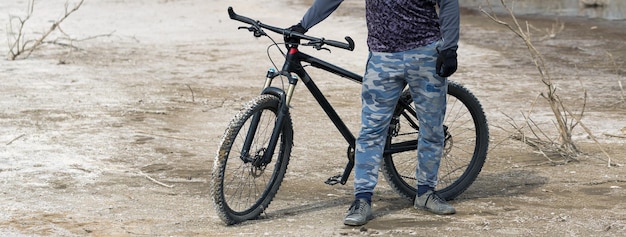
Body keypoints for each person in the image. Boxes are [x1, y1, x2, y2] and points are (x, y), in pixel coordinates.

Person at [287, 0, 460, 226]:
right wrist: (303, 25)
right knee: (371, 131)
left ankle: (426, 193)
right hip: (382, 58)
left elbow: (448, 3)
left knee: (432, 128)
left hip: (426, 53)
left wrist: (450, 47)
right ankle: (362, 199)